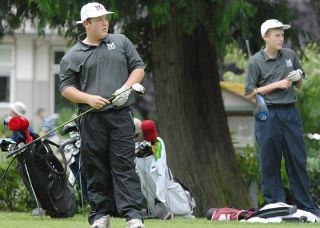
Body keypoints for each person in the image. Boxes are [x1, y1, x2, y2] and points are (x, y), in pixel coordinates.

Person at [59, 2, 145, 228]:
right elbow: (66, 88)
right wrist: (88, 99)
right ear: (86, 23)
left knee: (124, 166)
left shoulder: (121, 42)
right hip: (91, 118)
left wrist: (125, 88)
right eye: (99, 20)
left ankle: (133, 216)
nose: (105, 22)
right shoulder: (73, 55)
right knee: (95, 168)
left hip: (120, 115)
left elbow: (138, 68)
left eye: (106, 18)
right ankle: (100, 216)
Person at [244, 19, 320, 217]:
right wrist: (276, 85)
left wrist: (297, 78)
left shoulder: (290, 55)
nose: (281, 39)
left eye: (282, 35)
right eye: (277, 35)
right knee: (269, 160)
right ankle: (274, 205)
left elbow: (300, 85)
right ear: (266, 37)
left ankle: (307, 207)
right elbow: (250, 94)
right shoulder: (255, 61)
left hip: (290, 113)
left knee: (297, 159)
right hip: (267, 113)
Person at [134, 118, 196, 219]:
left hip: (166, 189)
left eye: (137, 135)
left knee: (179, 209)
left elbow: (159, 169)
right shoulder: (135, 146)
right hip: (150, 192)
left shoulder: (157, 143)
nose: (135, 139)